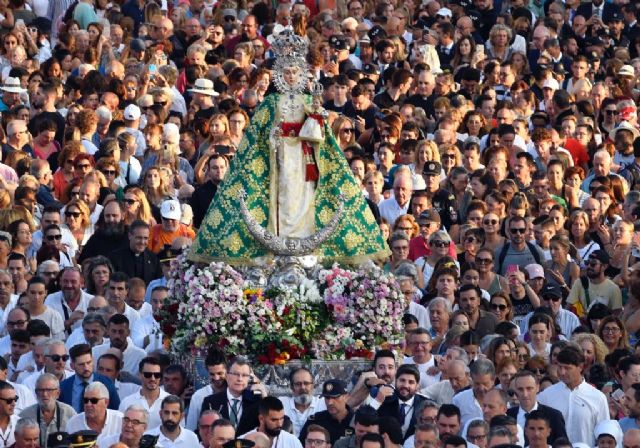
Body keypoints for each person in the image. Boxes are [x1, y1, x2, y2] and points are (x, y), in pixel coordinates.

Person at [189, 30, 388, 265]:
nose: (291, 76)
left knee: (304, 198)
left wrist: (314, 118)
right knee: (280, 196)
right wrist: (273, 138)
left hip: (305, 161)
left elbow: (321, 139)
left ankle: (304, 246)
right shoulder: (270, 104)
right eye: (287, 72)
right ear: (280, 75)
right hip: (278, 160)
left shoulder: (308, 101)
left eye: (295, 72)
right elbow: (256, 140)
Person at [537, 346, 608, 445]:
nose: (562, 372)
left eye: (567, 368)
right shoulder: (545, 396)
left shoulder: (598, 398)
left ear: (580, 367)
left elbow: (604, 434)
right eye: (559, 367)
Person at [201, 358, 264, 435]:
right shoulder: (211, 402)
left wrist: (265, 396)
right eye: (236, 374)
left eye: (244, 375)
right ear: (227, 376)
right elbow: (203, 432)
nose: (240, 379)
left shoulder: (256, 401)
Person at [507, 371, 567, 445]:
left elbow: (563, 445)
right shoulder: (507, 415)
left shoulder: (554, 416)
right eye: (520, 389)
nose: (525, 394)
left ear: (537, 388)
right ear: (515, 390)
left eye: (529, 388)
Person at [19, 373, 76, 448]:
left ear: (58, 393)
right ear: (36, 393)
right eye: (41, 390)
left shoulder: (69, 413)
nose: (45, 394)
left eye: (49, 390)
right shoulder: (25, 416)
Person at [59, 344, 120, 413]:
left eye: (88, 362)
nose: (86, 368)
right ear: (72, 366)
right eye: (81, 364)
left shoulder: (106, 384)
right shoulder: (63, 387)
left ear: (93, 360)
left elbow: (116, 411)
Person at [376, 364, 427, 440]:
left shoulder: (425, 405)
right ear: (396, 381)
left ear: (417, 386)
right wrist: (377, 401)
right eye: (402, 380)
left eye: (411, 382)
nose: (405, 385)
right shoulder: (384, 399)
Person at [118, 357, 168, 430]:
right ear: (140, 375)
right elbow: (119, 430)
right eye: (148, 375)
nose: (153, 378)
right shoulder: (127, 402)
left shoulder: (170, 401)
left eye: (157, 375)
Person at [299, 380, 354, 445]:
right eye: (327, 398)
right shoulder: (316, 420)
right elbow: (299, 444)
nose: (330, 403)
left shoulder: (356, 421)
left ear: (346, 397)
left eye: (335, 397)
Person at [280, 367, 326, 437]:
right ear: (292, 387)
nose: (303, 387)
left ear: (313, 386)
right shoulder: (282, 403)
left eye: (306, 383)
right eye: (298, 384)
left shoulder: (323, 403)